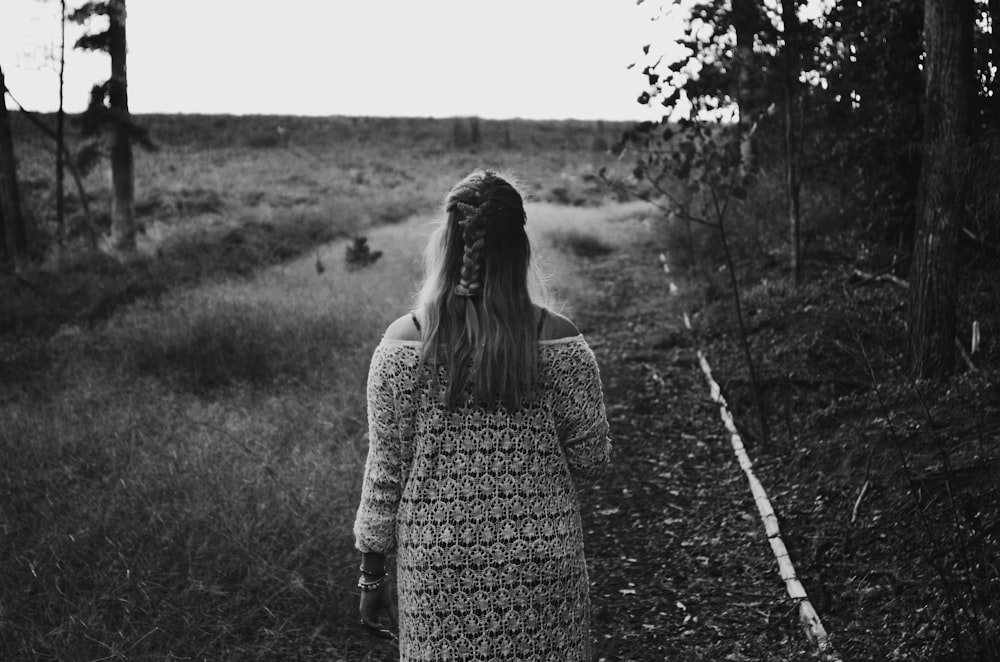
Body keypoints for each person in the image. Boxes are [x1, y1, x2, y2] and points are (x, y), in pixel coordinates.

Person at [353, 169, 612, 661]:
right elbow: (592, 460)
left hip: (437, 569)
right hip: (542, 562)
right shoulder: (561, 340)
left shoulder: (400, 344)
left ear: (446, 243)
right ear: (520, 247)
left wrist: (371, 575)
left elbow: (384, 473)